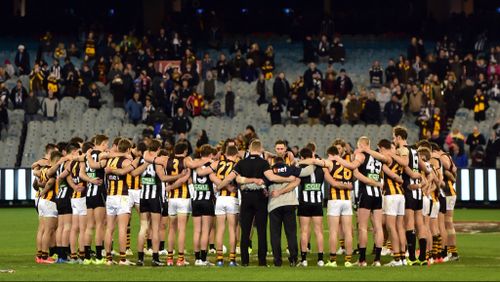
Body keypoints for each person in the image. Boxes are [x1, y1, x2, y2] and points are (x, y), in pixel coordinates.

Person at [216, 140, 295, 266]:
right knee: (261, 231)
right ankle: (262, 262)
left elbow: (230, 177)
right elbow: (272, 177)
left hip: (246, 198)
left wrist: (219, 186)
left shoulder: (241, 162)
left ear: (250, 148)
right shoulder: (263, 163)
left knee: (245, 231)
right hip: (260, 199)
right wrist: (288, 179)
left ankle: (245, 261)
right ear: (260, 149)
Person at [333, 136, 388, 267]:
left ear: (362, 145)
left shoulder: (362, 156)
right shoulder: (378, 157)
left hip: (366, 193)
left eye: (358, 146)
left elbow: (353, 167)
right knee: (378, 227)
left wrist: (338, 159)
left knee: (362, 228)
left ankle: (362, 260)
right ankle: (377, 260)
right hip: (377, 195)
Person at [378, 139, 406, 266]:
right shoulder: (399, 158)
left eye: (379, 149)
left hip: (391, 195)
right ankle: (403, 256)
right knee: (400, 227)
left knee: (391, 227)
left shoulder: (386, 158)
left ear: (383, 148)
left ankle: (396, 258)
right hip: (401, 195)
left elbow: (390, 174)